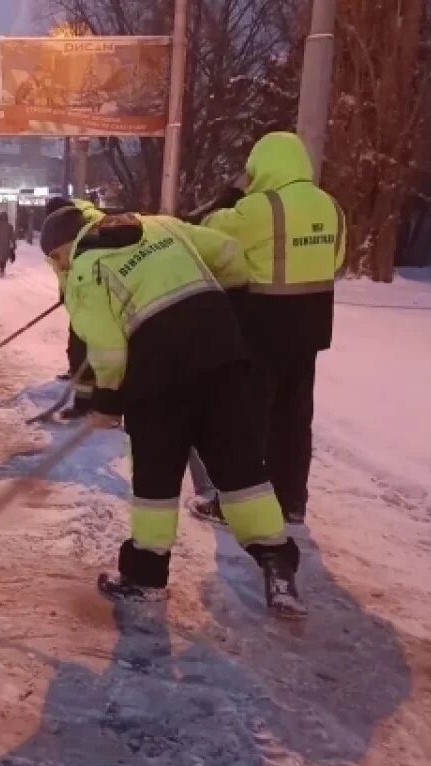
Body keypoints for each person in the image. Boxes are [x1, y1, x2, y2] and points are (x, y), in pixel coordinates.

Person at [41, 205, 306, 617]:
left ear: (66, 246)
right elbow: (230, 255)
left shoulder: (85, 268)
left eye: (57, 257)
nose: (61, 266)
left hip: (157, 377)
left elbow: (109, 350)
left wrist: (106, 402)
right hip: (224, 358)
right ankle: (277, 562)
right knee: (240, 469)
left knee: (156, 480)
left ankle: (145, 578)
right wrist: (221, 310)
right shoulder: (161, 225)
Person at [188, 131, 346, 525]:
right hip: (310, 329)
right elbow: (336, 261)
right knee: (293, 420)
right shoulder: (331, 206)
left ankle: (240, 507)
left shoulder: (260, 207)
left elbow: (207, 229)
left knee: (247, 421)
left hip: (262, 327)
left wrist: (234, 190)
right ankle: (291, 501)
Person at [43, 196, 105, 420]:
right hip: (80, 301)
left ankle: (103, 405)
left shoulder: (93, 227)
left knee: (106, 355)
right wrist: (65, 293)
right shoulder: (59, 233)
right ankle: (83, 402)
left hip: (101, 301)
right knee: (78, 353)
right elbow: (63, 269)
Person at [0, 212, 16, 278]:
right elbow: (12, 236)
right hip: (6, 245)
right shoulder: (10, 226)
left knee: (0, 257)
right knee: (5, 257)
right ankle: (3, 269)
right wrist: (13, 244)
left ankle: (1, 269)